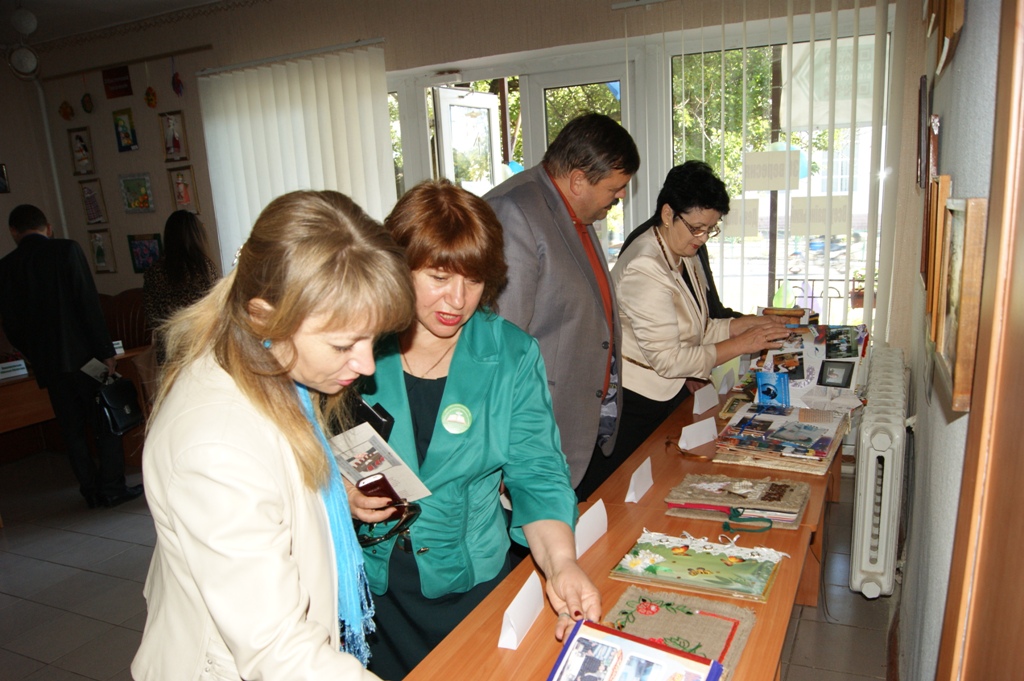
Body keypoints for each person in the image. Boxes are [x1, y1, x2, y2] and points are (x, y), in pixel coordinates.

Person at [131, 190, 415, 680]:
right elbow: (279, 652)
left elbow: (273, 478)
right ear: (264, 315)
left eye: (373, 339)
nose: (367, 363)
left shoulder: (265, 364)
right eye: (344, 345)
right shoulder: (216, 447)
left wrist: (328, 495)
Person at [352, 180, 600, 679]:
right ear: (398, 266)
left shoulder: (510, 354)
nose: (458, 299)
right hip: (370, 589)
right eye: (439, 276)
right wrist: (339, 490)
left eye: (474, 279)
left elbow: (538, 474)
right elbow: (303, 448)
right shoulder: (355, 343)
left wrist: (561, 564)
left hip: (467, 588)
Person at [485, 113, 640, 502]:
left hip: (574, 424)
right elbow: (502, 344)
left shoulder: (572, 209)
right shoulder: (515, 211)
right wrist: (503, 451)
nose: (621, 197)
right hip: (536, 433)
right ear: (578, 180)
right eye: (615, 188)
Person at [610, 162, 789, 456]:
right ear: (667, 214)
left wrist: (743, 325)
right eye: (697, 228)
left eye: (710, 229)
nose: (703, 238)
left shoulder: (683, 251)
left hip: (666, 392)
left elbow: (698, 328)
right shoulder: (645, 266)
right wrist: (743, 344)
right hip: (637, 401)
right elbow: (668, 360)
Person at [0, 204, 142, 509]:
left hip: (49, 365)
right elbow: (88, 303)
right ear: (48, 227)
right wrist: (106, 352)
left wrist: (34, 354)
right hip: (86, 359)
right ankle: (112, 487)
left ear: (14, 231)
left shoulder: (6, 267)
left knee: (72, 430)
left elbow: (11, 324)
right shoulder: (66, 251)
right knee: (106, 419)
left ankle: (89, 490)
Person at [143, 209, 219, 363]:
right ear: (196, 236)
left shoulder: (154, 272)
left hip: (169, 350)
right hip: (200, 347)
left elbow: (151, 316)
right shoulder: (204, 268)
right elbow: (216, 309)